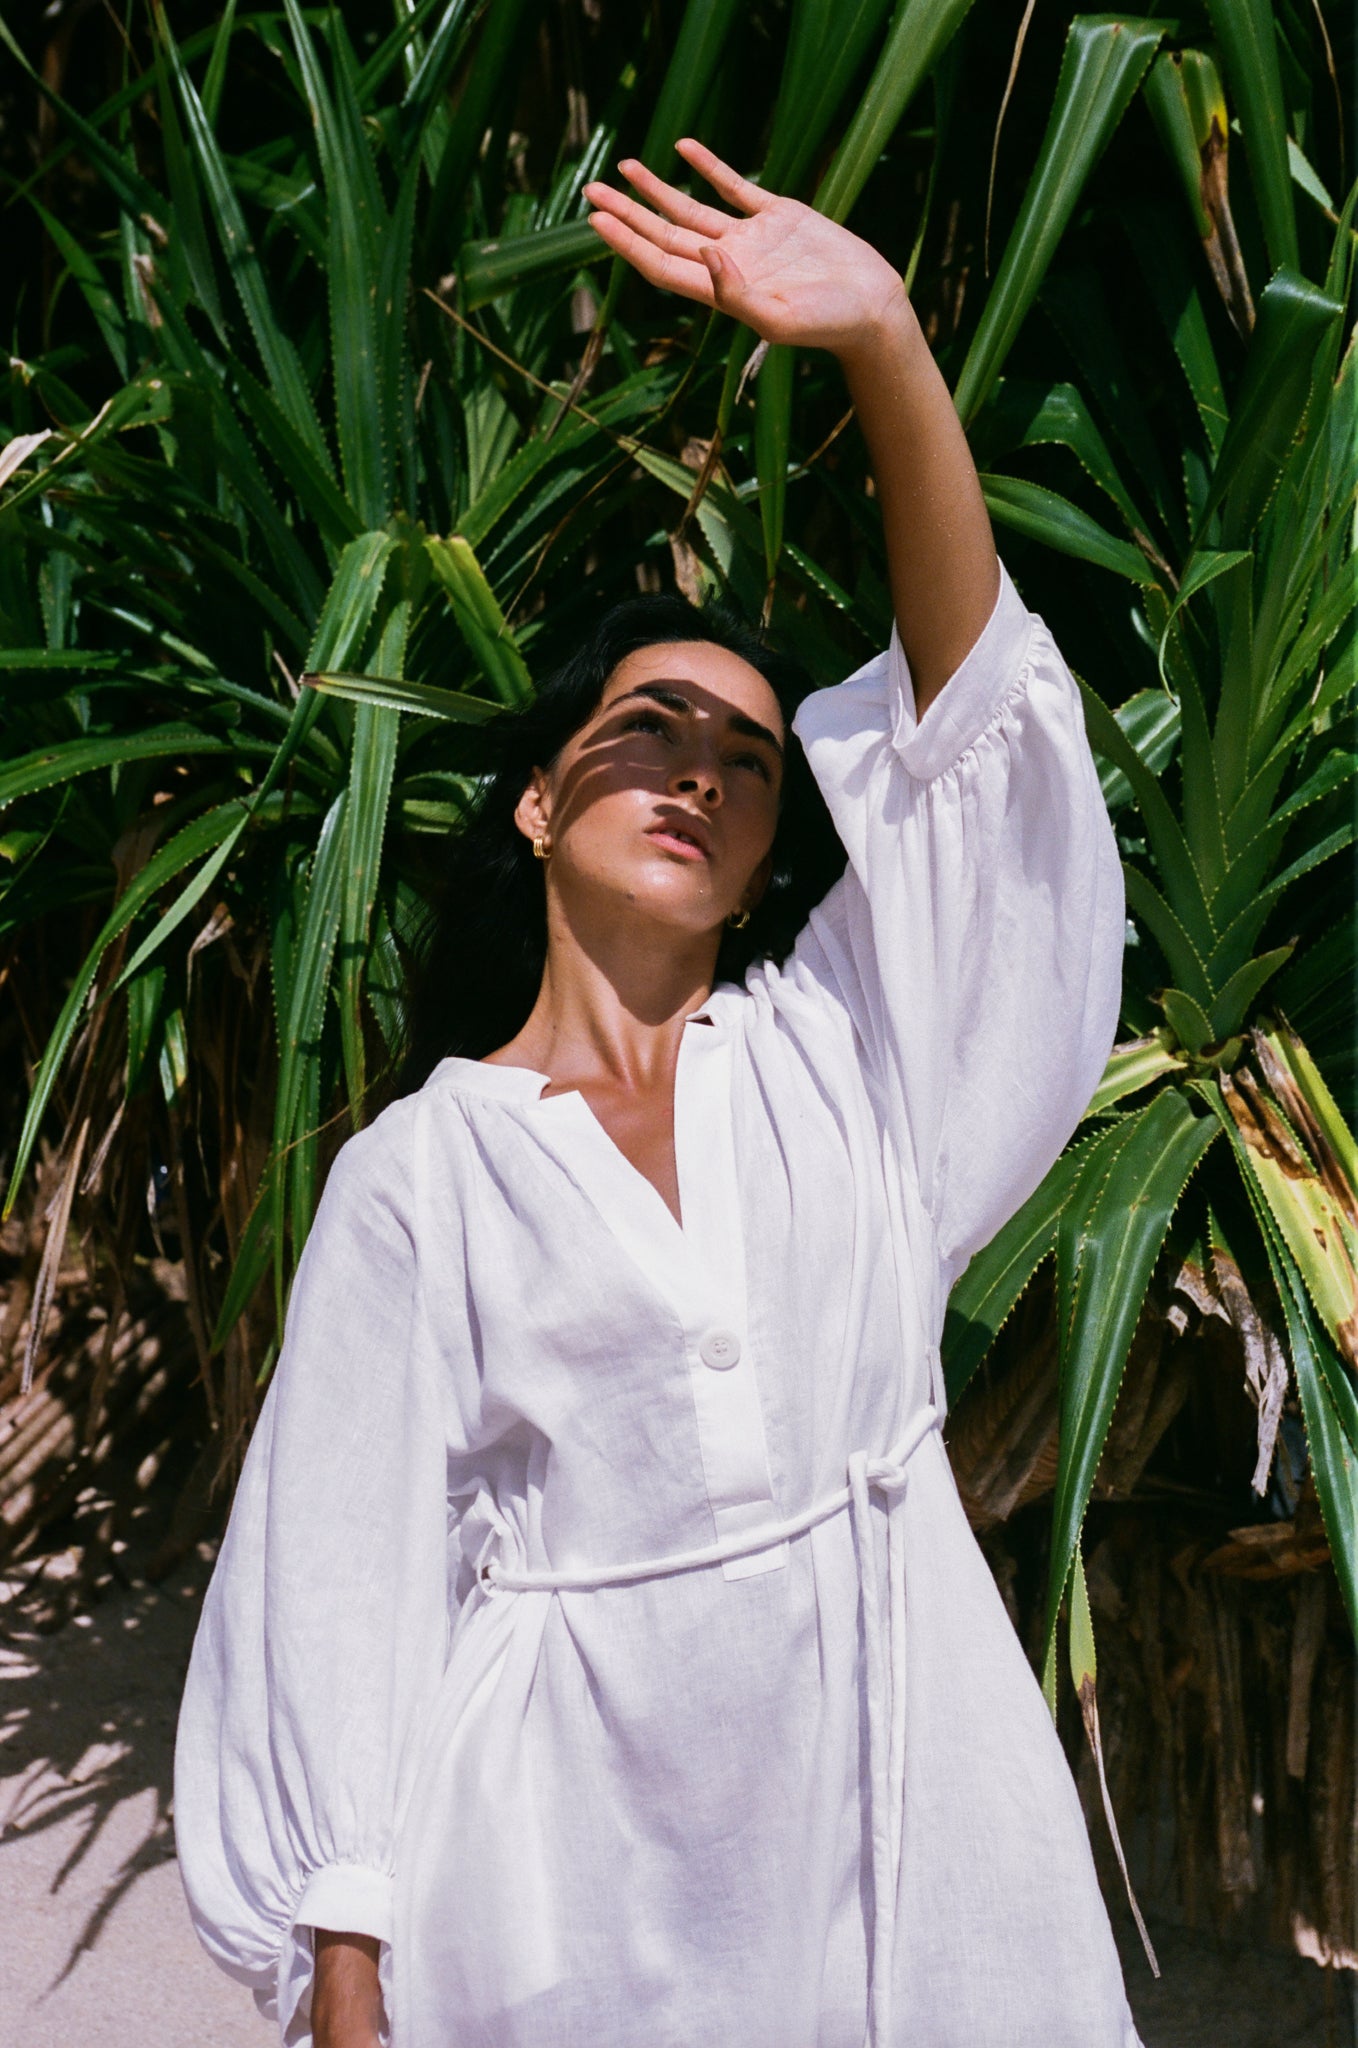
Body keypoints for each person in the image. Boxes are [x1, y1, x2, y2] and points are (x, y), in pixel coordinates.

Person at [174, 139, 1140, 2048]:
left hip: (908, 1818)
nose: (698, 768)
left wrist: (884, 345)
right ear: (539, 802)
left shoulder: (842, 1060)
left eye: (749, 758)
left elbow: (970, 752)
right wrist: (348, 1994)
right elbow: (337, 1575)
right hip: (573, 1883)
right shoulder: (420, 1176)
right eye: (646, 728)